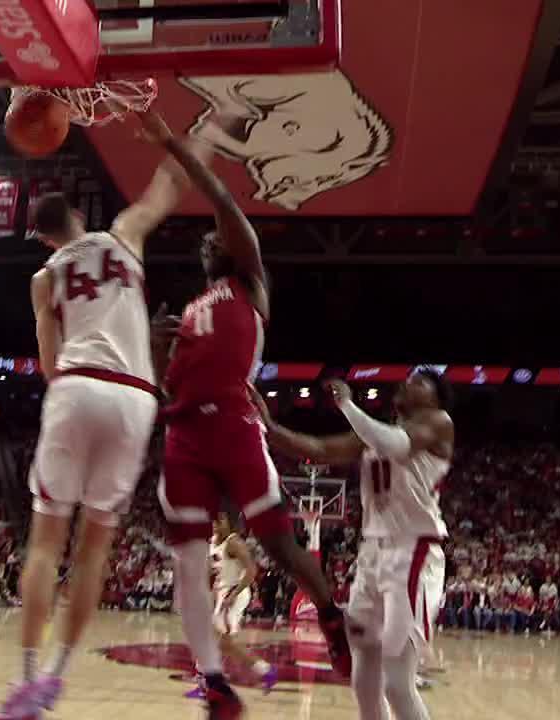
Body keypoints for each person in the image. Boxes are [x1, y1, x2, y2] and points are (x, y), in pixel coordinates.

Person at [142, 109, 350, 719]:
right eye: (205, 245)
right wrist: (158, 345)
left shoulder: (250, 282)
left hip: (234, 420)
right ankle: (214, 682)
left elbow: (220, 198)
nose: (210, 243)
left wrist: (176, 148)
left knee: (279, 544)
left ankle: (331, 615)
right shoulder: (189, 309)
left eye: (218, 240)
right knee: (186, 563)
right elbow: (158, 393)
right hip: (183, 434)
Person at [0, 117, 194, 718]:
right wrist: (183, 139)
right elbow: (169, 187)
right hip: (134, 394)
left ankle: (28, 676)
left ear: (45, 238)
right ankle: (59, 673)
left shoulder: (44, 278)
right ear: (79, 221)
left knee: (44, 545)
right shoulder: (123, 235)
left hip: (77, 385)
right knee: (93, 551)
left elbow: (50, 362)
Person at [253, 370, 454, 720]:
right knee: (364, 676)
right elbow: (318, 449)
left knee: (396, 682)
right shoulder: (372, 434)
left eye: (419, 381)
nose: (407, 383)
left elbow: (396, 445)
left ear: (435, 397)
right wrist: (268, 426)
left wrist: (346, 403)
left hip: (413, 555)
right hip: (372, 553)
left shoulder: (438, 422)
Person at [209, 512, 278, 691]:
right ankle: (210, 680)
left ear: (230, 523)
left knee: (224, 642)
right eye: (214, 520)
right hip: (222, 593)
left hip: (234, 593)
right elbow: (214, 571)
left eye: (221, 520)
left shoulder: (234, 543)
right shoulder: (213, 541)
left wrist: (233, 595)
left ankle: (266, 671)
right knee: (218, 641)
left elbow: (251, 571)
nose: (216, 523)